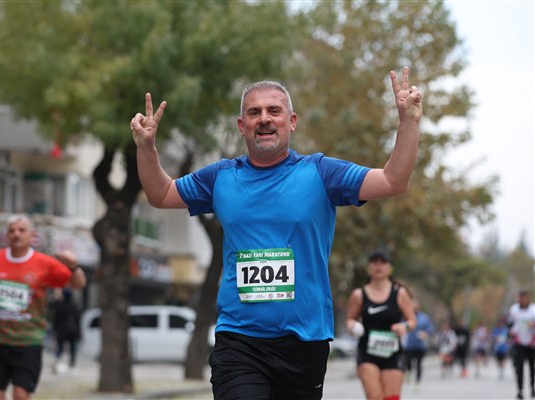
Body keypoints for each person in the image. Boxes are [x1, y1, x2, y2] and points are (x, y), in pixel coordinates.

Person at [130, 66, 422, 400]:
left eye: (274, 110)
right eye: (254, 112)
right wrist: (146, 148)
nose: (264, 119)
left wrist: (408, 122)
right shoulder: (220, 177)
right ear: (242, 125)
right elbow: (161, 194)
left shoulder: (321, 173)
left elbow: (393, 181)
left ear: (292, 121)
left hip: (304, 342)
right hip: (239, 339)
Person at [0, 214, 87, 400]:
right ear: (7, 235)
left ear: (33, 235)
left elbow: (78, 284)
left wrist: (74, 266)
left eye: (21, 230)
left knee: (20, 395)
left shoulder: (45, 263)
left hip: (28, 341)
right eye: (12, 231)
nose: (16, 234)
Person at [346, 251, 416, 400]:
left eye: (383, 263)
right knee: (374, 397)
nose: (379, 266)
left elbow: (412, 321)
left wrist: (404, 326)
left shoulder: (400, 293)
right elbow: (350, 319)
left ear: (390, 268)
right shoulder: (359, 294)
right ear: (369, 267)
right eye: (375, 262)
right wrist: (353, 326)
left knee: (391, 398)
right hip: (367, 353)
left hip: (393, 352)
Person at [508, 291, 535, 399]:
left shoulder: (533, 310)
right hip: (518, 342)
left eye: (525, 298)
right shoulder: (514, 309)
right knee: (519, 367)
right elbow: (510, 323)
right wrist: (510, 332)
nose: (523, 300)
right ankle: (520, 390)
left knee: (532, 367)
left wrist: (532, 325)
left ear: (528, 298)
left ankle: (532, 388)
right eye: (521, 298)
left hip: (532, 342)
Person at [403, 299, 434, 389]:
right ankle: (408, 373)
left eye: (416, 305)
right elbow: (401, 325)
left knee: (419, 364)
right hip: (408, 345)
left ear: (419, 306)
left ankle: (417, 382)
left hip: (420, 346)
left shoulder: (424, 317)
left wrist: (425, 333)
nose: (414, 307)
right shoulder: (405, 316)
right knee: (407, 362)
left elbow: (430, 329)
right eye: (412, 305)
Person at [50, 288, 81, 374]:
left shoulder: (59, 306)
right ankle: (72, 365)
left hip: (61, 331)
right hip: (72, 331)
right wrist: (79, 333)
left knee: (60, 348)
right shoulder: (74, 306)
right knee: (72, 349)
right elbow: (77, 320)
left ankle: (57, 362)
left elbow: (55, 318)